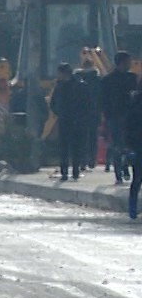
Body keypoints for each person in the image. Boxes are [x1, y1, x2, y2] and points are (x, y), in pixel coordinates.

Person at [52, 62, 95, 181]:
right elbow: (53, 103)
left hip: (78, 121)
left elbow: (88, 103)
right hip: (64, 121)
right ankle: (64, 171)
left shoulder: (80, 85)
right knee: (64, 147)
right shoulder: (59, 86)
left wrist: (82, 117)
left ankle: (75, 170)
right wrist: (59, 113)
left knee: (77, 147)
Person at [99, 51, 135, 184]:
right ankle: (119, 173)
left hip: (130, 117)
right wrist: (106, 116)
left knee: (129, 145)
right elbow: (102, 100)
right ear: (122, 62)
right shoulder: (108, 81)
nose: (131, 64)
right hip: (114, 117)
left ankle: (125, 166)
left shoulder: (133, 78)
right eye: (128, 61)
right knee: (117, 145)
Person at [127, 81, 142, 220]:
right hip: (138, 145)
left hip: (136, 145)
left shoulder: (134, 103)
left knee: (137, 178)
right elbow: (130, 126)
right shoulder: (135, 103)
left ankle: (132, 207)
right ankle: (131, 207)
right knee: (137, 178)